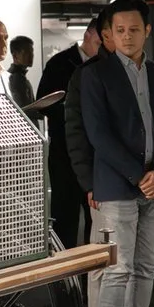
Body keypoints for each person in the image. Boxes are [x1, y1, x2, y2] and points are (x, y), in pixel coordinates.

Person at [76, 0, 154, 307]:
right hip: (117, 186)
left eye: (134, 29)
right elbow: (99, 136)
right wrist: (140, 176)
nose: (127, 36)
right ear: (110, 34)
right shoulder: (95, 75)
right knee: (116, 270)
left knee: (145, 268)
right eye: (119, 30)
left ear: (147, 31)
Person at [39, 17, 103, 247]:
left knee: (97, 223)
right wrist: (71, 110)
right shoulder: (59, 63)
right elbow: (43, 102)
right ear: (87, 36)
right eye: (98, 42)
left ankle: (91, 279)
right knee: (64, 220)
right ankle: (65, 279)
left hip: (94, 156)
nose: (101, 48)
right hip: (64, 154)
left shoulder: (103, 66)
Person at [7, 35, 36, 108]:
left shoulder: (19, 75)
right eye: (27, 52)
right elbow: (23, 108)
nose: (31, 56)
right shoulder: (15, 77)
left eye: (32, 52)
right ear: (15, 55)